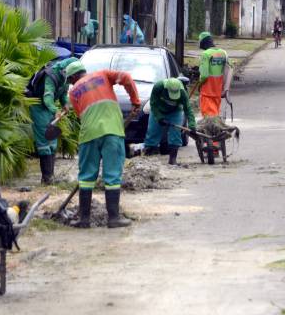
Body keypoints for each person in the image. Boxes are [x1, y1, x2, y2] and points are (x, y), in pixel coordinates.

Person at [67, 62, 141, 228]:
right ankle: (113, 218)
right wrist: (135, 101)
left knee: (86, 177)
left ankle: (84, 219)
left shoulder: (73, 92)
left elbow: (81, 115)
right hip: (112, 131)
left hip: (88, 135)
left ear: (73, 77)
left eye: (70, 80)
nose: (71, 83)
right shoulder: (103, 74)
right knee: (112, 175)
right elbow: (127, 78)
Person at [29, 57, 77, 184]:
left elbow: (62, 94)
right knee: (44, 139)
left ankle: (51, 176)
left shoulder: (67, 78)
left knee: (52, 139)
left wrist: (65, 104)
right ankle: (46, 178)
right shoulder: (51, 76)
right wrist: (55, 110)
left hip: (50, 108)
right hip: (38, 104)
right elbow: (48, 97)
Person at [143, 78, 196, 164]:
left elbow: (188, 109)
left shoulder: (182, 93)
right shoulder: (158, 87)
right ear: (166, 88)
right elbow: (153, 103)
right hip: (158, 110)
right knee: (153, 131)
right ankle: (148, 156)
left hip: (175, 111)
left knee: (175, 133)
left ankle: (172, 159)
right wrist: (159, 118)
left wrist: (192, 125)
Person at [198, 31, 229, 117]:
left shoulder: (206, 54)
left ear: (203, 42)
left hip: (207, 92)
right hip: (218, 91)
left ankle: (213, 130)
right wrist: (225, 88)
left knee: (208, 118)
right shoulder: (223, 53)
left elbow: (204, 75)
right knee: (215, 114)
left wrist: (199, 85)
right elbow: (229, 69)